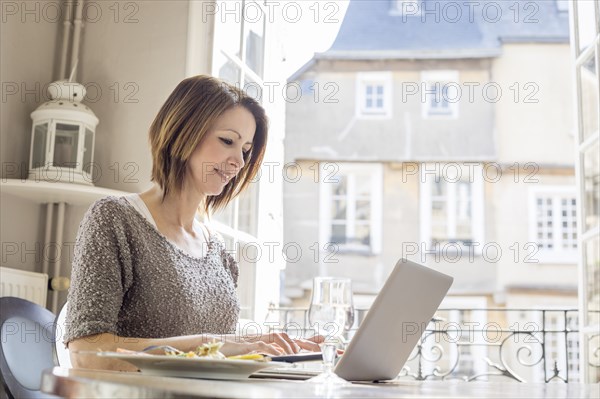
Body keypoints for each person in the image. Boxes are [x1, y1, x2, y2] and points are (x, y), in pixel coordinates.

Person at [65, 75, 321, 371]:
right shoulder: (115, 219)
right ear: (182, 131)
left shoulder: (218, 252)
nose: (239, 161)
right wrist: (207, 344)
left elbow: (215, 354)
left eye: (246, 150)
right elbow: (86, 354)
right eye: (227, 141)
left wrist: (264, 345)